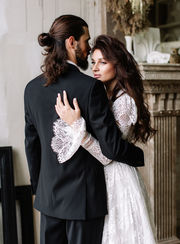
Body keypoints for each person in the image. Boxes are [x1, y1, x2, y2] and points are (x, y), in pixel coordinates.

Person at [24, 15, 144, 244]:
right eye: (85, 41)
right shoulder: (91, 88)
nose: (87, 49)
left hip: (48, 199)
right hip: (84, 202)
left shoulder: (31, 90)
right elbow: (112, 148)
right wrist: (138, 155)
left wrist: (39, 190)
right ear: (71, 42)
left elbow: (32, 145)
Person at [52, 34, 157, 244]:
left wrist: (77, 127)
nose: (95, 68)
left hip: (118, 178)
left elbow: (109, 154)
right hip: (102, 179)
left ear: (117, 65)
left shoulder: (124, 101)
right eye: (93, 62)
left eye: (103, 62)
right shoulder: (105, 96)